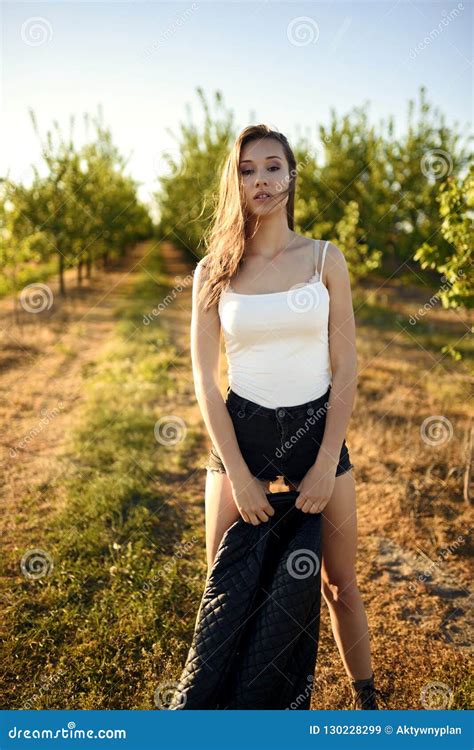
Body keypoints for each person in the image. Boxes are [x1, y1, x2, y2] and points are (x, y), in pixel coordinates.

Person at [190, 124, 383, 709]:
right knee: (225, 586)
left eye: (272, 167)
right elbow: (204, 377)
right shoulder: (214, 270)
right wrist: (241, 477)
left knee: (339, 583)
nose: (261, 181)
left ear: (290, 176)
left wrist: (326, 463)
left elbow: (345, 366)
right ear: (236, 180)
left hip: (314, 429)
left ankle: (368, 704)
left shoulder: (326, 259)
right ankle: (225, 713)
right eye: (247, 170)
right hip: (242, 431)